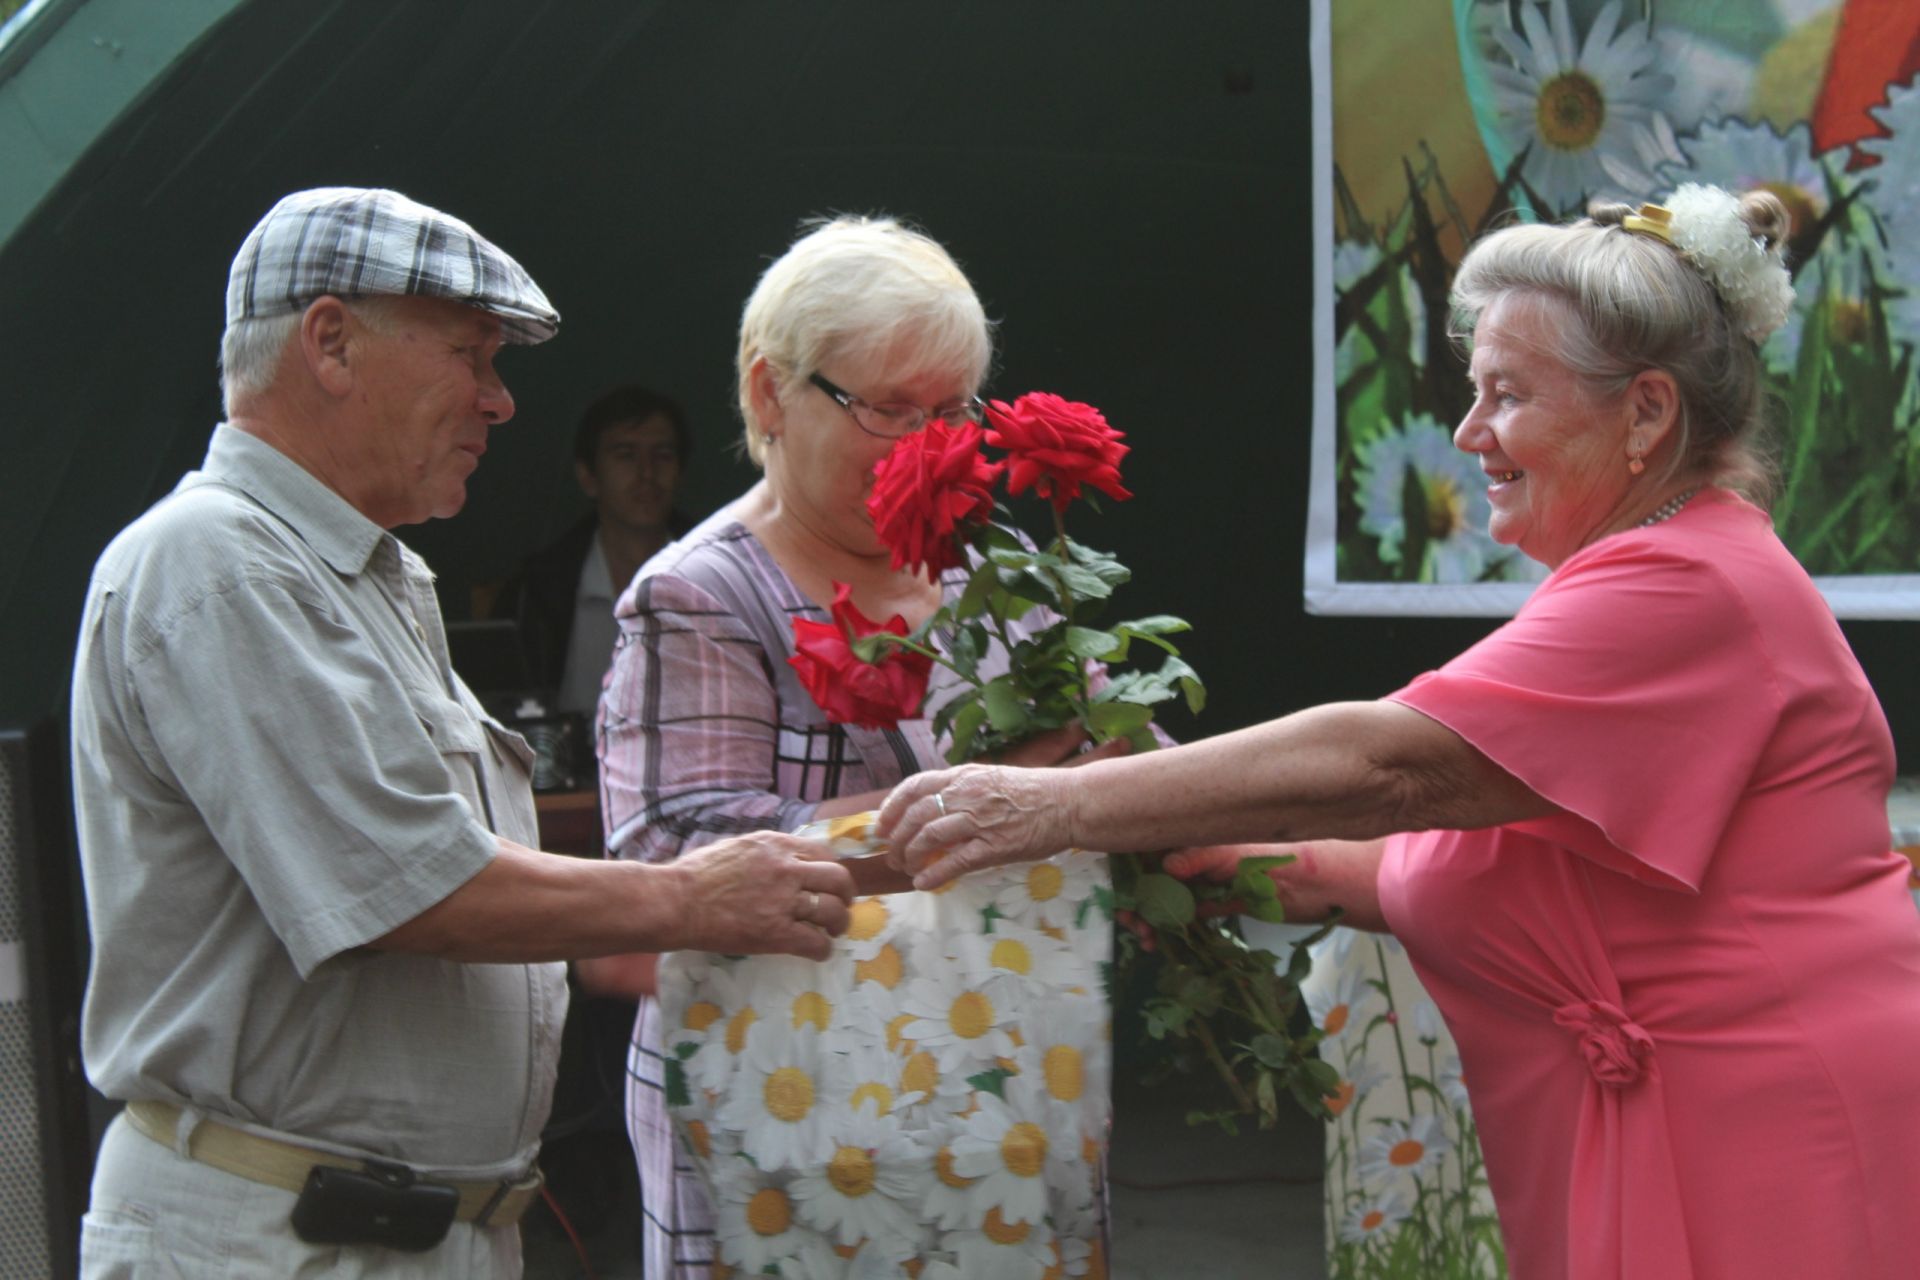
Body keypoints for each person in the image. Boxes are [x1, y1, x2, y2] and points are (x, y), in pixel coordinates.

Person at [878, 186, 1920, 1278]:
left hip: (1766, 1126)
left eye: (1506, 396)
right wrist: (1291, 864)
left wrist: (1053, 805)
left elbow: (1393, 765)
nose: (1470, 434)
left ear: (1648, 412)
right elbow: (1513, 839)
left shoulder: (1690, 583)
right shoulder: (1675, 563)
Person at [68, 187, 855, 1279]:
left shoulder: (364, 572)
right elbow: (413, 885)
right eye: (471, 355)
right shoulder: (218, 560)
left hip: (399, 1232)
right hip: (284, 1238)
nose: (500, 403)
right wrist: (685, 896)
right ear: (331, 341)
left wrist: (619, 922)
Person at [596, 215, 1116, 1279]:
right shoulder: (702, 595)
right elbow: (675, 863)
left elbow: (1111, 754)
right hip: (793, 1105)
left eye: (951, 411)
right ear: (766, 393)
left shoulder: (994, 561)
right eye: (886, 407)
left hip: (1001, 1084)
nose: (928, 445)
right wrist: (1009, 801)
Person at [492, 384, 693, 715]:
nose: (647, 473)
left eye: (663, 455)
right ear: (588, 476)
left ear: (680, 472)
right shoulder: (539, 591)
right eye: (625, 455)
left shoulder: (718, 577)